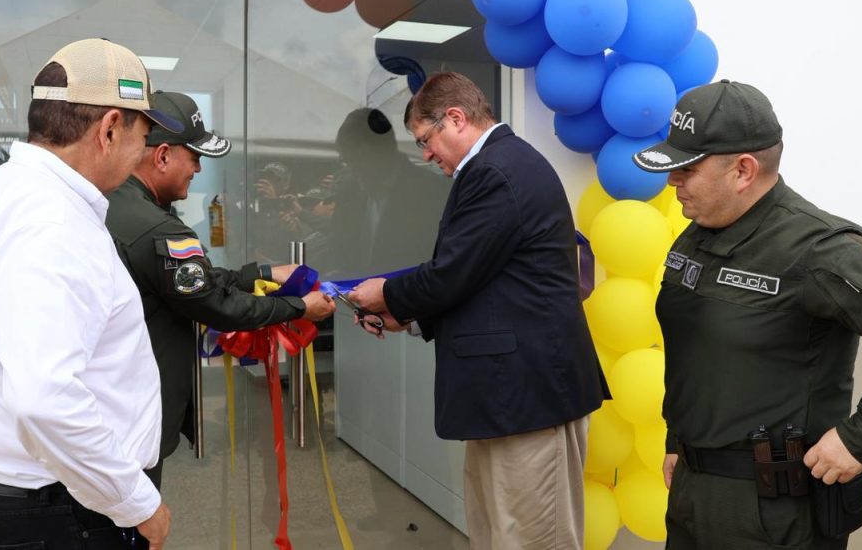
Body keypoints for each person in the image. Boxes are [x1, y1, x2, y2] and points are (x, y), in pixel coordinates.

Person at [633, 79, 862, 549]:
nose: (672, 181)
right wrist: (679, 441)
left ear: (743, 170)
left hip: (773, 510)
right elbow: (701, 354)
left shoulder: (814, 248)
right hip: (693, 488)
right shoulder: (699, 231)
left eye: (687, 169)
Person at [349, 72, 609, 550]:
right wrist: (409, 314)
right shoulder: (495, 166)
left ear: (455, 118)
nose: (426, 155)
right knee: (497, 534)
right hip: (507, 396)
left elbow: (453, 272)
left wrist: (388, 294)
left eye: (425, 140)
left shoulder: (496, 171)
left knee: (532, 540)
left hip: (528, 395)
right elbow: (482, 281)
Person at [0, 39, 184, 549]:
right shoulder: (52, 222)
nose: (140, 155)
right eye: (142, 137)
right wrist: (136, 502)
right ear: (110, 128)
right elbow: (44, 398)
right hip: (64, 511)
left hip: (39, 500)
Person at [105, 91, 336, 487]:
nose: (197, 168)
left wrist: (263, 271)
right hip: (132, 418)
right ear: (163, 156)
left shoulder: (113, 202)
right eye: (194, 156)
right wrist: (300, 308)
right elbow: (215, 303)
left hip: (112, 408)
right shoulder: (159, 230)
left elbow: (191, 284)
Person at [327, 107, 449, 278]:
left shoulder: (433, 193)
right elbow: (338, 250)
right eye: (347, 161)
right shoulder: (349, 190)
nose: (352, 169)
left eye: (353, 159)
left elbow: (438, 266)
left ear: (378, 150)